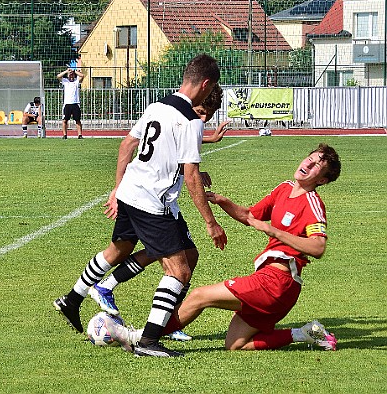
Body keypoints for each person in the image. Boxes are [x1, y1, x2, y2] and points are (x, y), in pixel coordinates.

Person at [54, 54, 228, 357]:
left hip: (131, 191)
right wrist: (211, 223)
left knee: (121, 250)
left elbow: (127, 146)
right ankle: (149, 341)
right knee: (179, 271)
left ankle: (72, 299)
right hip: (152, 202)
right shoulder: (190, 120)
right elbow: (189, 177)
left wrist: (116, 189)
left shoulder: (157, 106)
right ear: (206, 84)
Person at [106, 143, 341, 354]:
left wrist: (274, 231)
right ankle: (303, 333)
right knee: (235, 344)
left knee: (199, 296)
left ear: (322, 180)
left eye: (319, 164)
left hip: (278, 283)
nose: (310, 162)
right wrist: (221, 201)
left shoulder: (312, 203)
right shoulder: (284, 189)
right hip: (272, 283)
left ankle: (140, 337)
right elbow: (250, 215)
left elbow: (318, 247)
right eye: (311, 157)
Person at [87, 83, 230, 343]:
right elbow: (153, 148)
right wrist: (210, 221)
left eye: (207, 116)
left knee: (184, 255)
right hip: (154, 201)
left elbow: (175, 149)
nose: (202, 119)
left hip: (157, 199)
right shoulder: (183, 118)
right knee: (173, 263)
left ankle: (166, 318)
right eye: (200, 112)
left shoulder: (174, 115)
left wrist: (204, 152)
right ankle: (154, 328)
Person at [57, 67, 84, 139]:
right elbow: (58, 76)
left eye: (72, 75)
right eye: (70, 75)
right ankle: (65, 135)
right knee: (65, 120)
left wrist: (74, 71)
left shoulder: (76, 81)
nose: (71, 76)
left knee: (77, 120)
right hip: (67, 104)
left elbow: (82, 76)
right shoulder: (65, 81)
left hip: (75, 103)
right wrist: (67, 71)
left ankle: (80, 135)